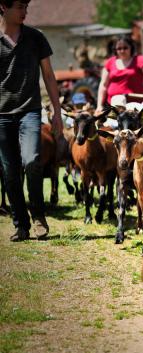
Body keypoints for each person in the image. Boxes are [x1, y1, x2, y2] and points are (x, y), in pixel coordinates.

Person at [0, 0, 62, 241]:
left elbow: (48, 74)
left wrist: (56, 111)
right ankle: (21, 225)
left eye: (26, 6)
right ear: (3, 7)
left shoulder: (36, 37)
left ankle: (38, 216)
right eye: (19, 7)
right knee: (10, 171)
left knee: (33, 160)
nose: (25, 12)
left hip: (30, 111)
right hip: (2, 115)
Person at [96, 35, 143, 114]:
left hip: (135, 106)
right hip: (113, 105)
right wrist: (99, 105)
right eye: (119, 48)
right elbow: (103, 85)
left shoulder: (139, 60)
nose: (122, 51)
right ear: (115, 50)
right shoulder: (110, 62)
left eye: (125, 48)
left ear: (131, 48)